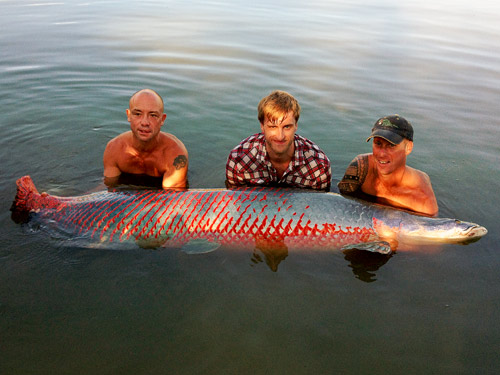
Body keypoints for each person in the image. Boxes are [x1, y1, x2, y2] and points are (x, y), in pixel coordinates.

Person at [225, 90, 331, 191]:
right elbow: (235, 201)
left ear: (296, 126)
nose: (280, 136)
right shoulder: (239, 160)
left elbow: (320, 205)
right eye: (272, 127)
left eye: (287, 127)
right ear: (262, 126)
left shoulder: (319, 165)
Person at [338, 114, 438, 216]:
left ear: (408, 147)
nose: (381, 154)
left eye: (391, 145)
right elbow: (339, 205)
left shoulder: (423, 201)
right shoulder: (361, 167)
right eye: (378, 143)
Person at [103, 89, 188, 189]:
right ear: (129, 115)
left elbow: (171, 199)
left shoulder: (175, 155)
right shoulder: (114, 148)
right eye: (138, 114)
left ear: (162, 119)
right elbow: (110, 187)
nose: (144, 122)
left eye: (153, 115)